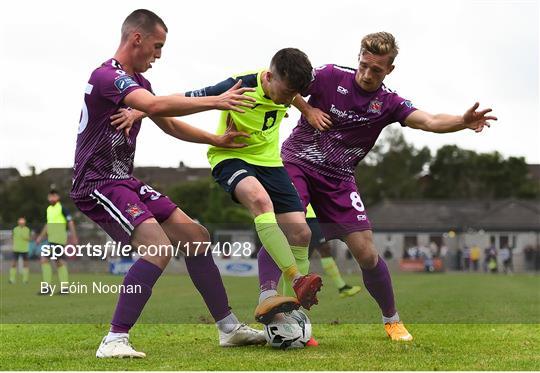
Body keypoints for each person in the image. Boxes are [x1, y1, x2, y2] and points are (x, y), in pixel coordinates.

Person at [259, 31, 497, 341]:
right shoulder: (330, 76)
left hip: (339, 179)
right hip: (298, 162)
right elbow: (287, 84)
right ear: (358, 58)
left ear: (389, 70)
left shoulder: (387, 102)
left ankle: (392, 320)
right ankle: (267, 298)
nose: (367, 74)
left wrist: (461, 121)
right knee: (289, 226)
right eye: (364, 65)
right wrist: (308, 109)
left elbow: (428, 120)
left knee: (367, 252)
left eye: (377, 70)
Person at [70, 9, 265, 358]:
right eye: (157, 47)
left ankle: (228, 328)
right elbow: (156, 105)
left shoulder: (138, 83)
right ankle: (114, 340)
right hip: (97, 182)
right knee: (158, 249)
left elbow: (167, 121)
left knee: (196, 236)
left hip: (123, 180)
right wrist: (215, 101)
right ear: (137, 39)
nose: (158, 56)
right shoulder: (106, 76)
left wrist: (215, 139)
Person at [183, 48, 323, 325]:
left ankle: (293, 317)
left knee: (301, 233)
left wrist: (307, 109)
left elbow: (293, 94)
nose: (287, 100)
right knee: (260, 201)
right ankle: (297, 279)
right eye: (284, 93)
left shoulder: (287, 88)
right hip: (230, 155)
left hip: (271, 163)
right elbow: (184, 99)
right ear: (269, 77)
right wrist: (144, 108)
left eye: (292, 95)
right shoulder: (236, 86)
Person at [305, 204, 362, 298]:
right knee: (322, 248)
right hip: (304, 214)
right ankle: (341, 287)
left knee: (310, 252)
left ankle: (341, 287)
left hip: (313, 214)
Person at [36, 189, 78, 294]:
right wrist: (40, 237)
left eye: (54, 196)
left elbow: (70, 223)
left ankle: (47, 287)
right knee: (59, 262)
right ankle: (64, 288)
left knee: (45, 259)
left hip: (59, 240)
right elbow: (47, 225)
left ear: (58, 197)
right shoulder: (49, 209)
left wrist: (74, 237)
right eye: (50, 196)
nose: (52, 198)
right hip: (51, 240)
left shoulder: (62, 208)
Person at [9, 217, 31, 284]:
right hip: (16, 249)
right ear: (18, 223)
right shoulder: (15, 229)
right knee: (13, 264)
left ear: (24, 223)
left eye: (23, 223)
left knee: (26, 264)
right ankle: (12, 279)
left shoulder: (27, 229)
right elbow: (12, 237)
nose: (21, 224)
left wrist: (25, 237)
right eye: (20, 223)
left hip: (25, 249)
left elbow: (28, 238)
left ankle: (25, 280)